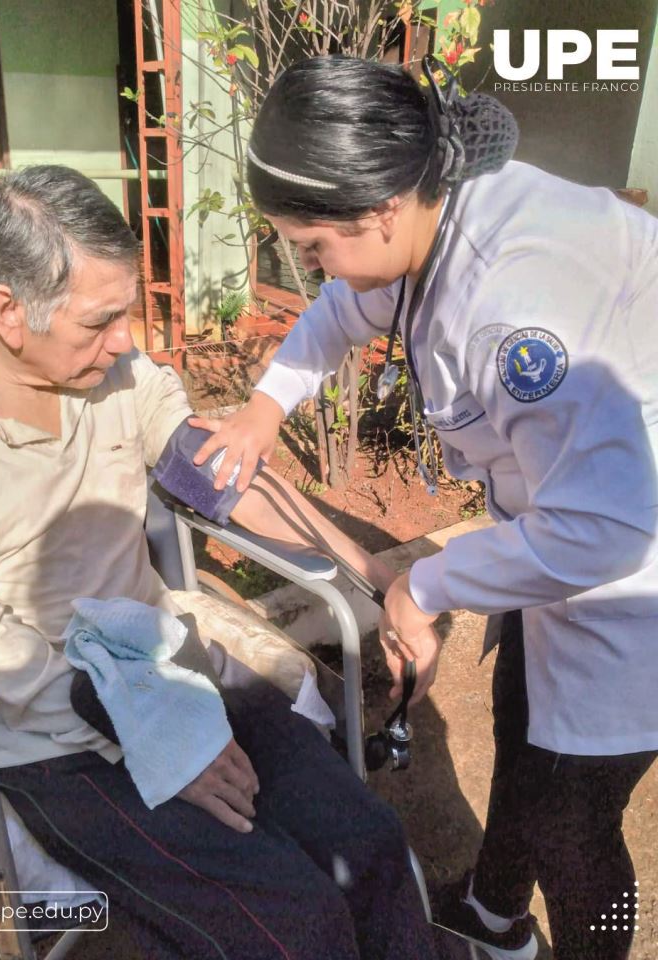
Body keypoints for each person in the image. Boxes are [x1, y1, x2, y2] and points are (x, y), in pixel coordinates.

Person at [0, 165, 443, 959]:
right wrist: (152, 733)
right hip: (46, 731)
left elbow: (214, 473)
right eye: (100, 322)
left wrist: (379, 577)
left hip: (164, 662)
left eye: (128, 314)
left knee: (373, 843)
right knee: (289, 926)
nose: (127, 343)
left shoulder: (115, 372)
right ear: (8, 311)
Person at [189, 55, 658, 960]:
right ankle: (492, 919)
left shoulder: (518, 304)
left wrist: (428, 584)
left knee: (578, 824)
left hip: (631, 581)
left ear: (380, 210)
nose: (316, 267)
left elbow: (606, 528)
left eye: (315, 245)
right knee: (526, 735)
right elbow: (342, 307)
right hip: (557, 532)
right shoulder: (429, 207)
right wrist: (261, 408)